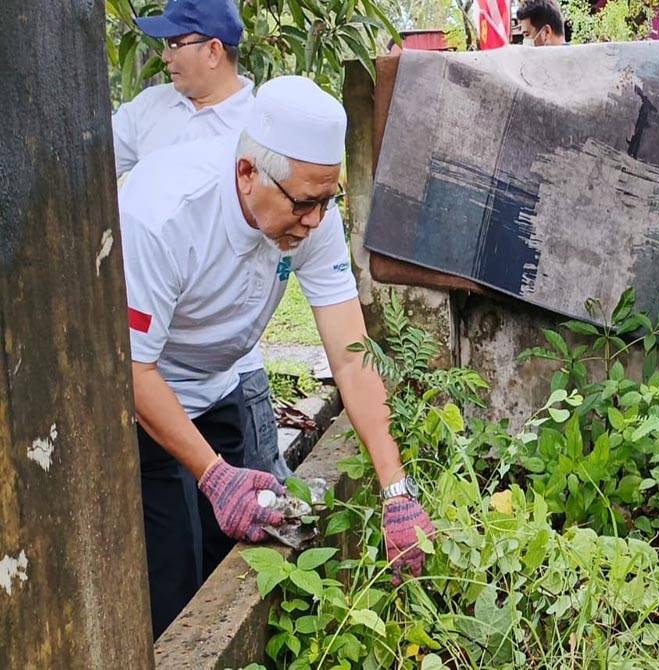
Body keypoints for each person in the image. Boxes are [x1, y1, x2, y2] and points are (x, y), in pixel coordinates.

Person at [119, 76, 434, 637]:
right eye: (305, 204)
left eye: (327, 201)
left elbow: (352, 356)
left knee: (235, 561)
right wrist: (214, 476)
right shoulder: (160, 213)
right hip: (150, 400)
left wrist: (395, 490)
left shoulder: (309, 211)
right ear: (247, 173)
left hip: (222, 385)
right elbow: (133, 368)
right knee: (173, 576)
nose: (315, 221)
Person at [111, 0, 292, 482]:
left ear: (214, 51)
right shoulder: (150, 111)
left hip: (230, 362)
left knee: (255, 492)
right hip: (151, 357)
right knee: (174, 522)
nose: (165, 56)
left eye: (175, 44)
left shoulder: (261, 128)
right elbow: (89, 174)